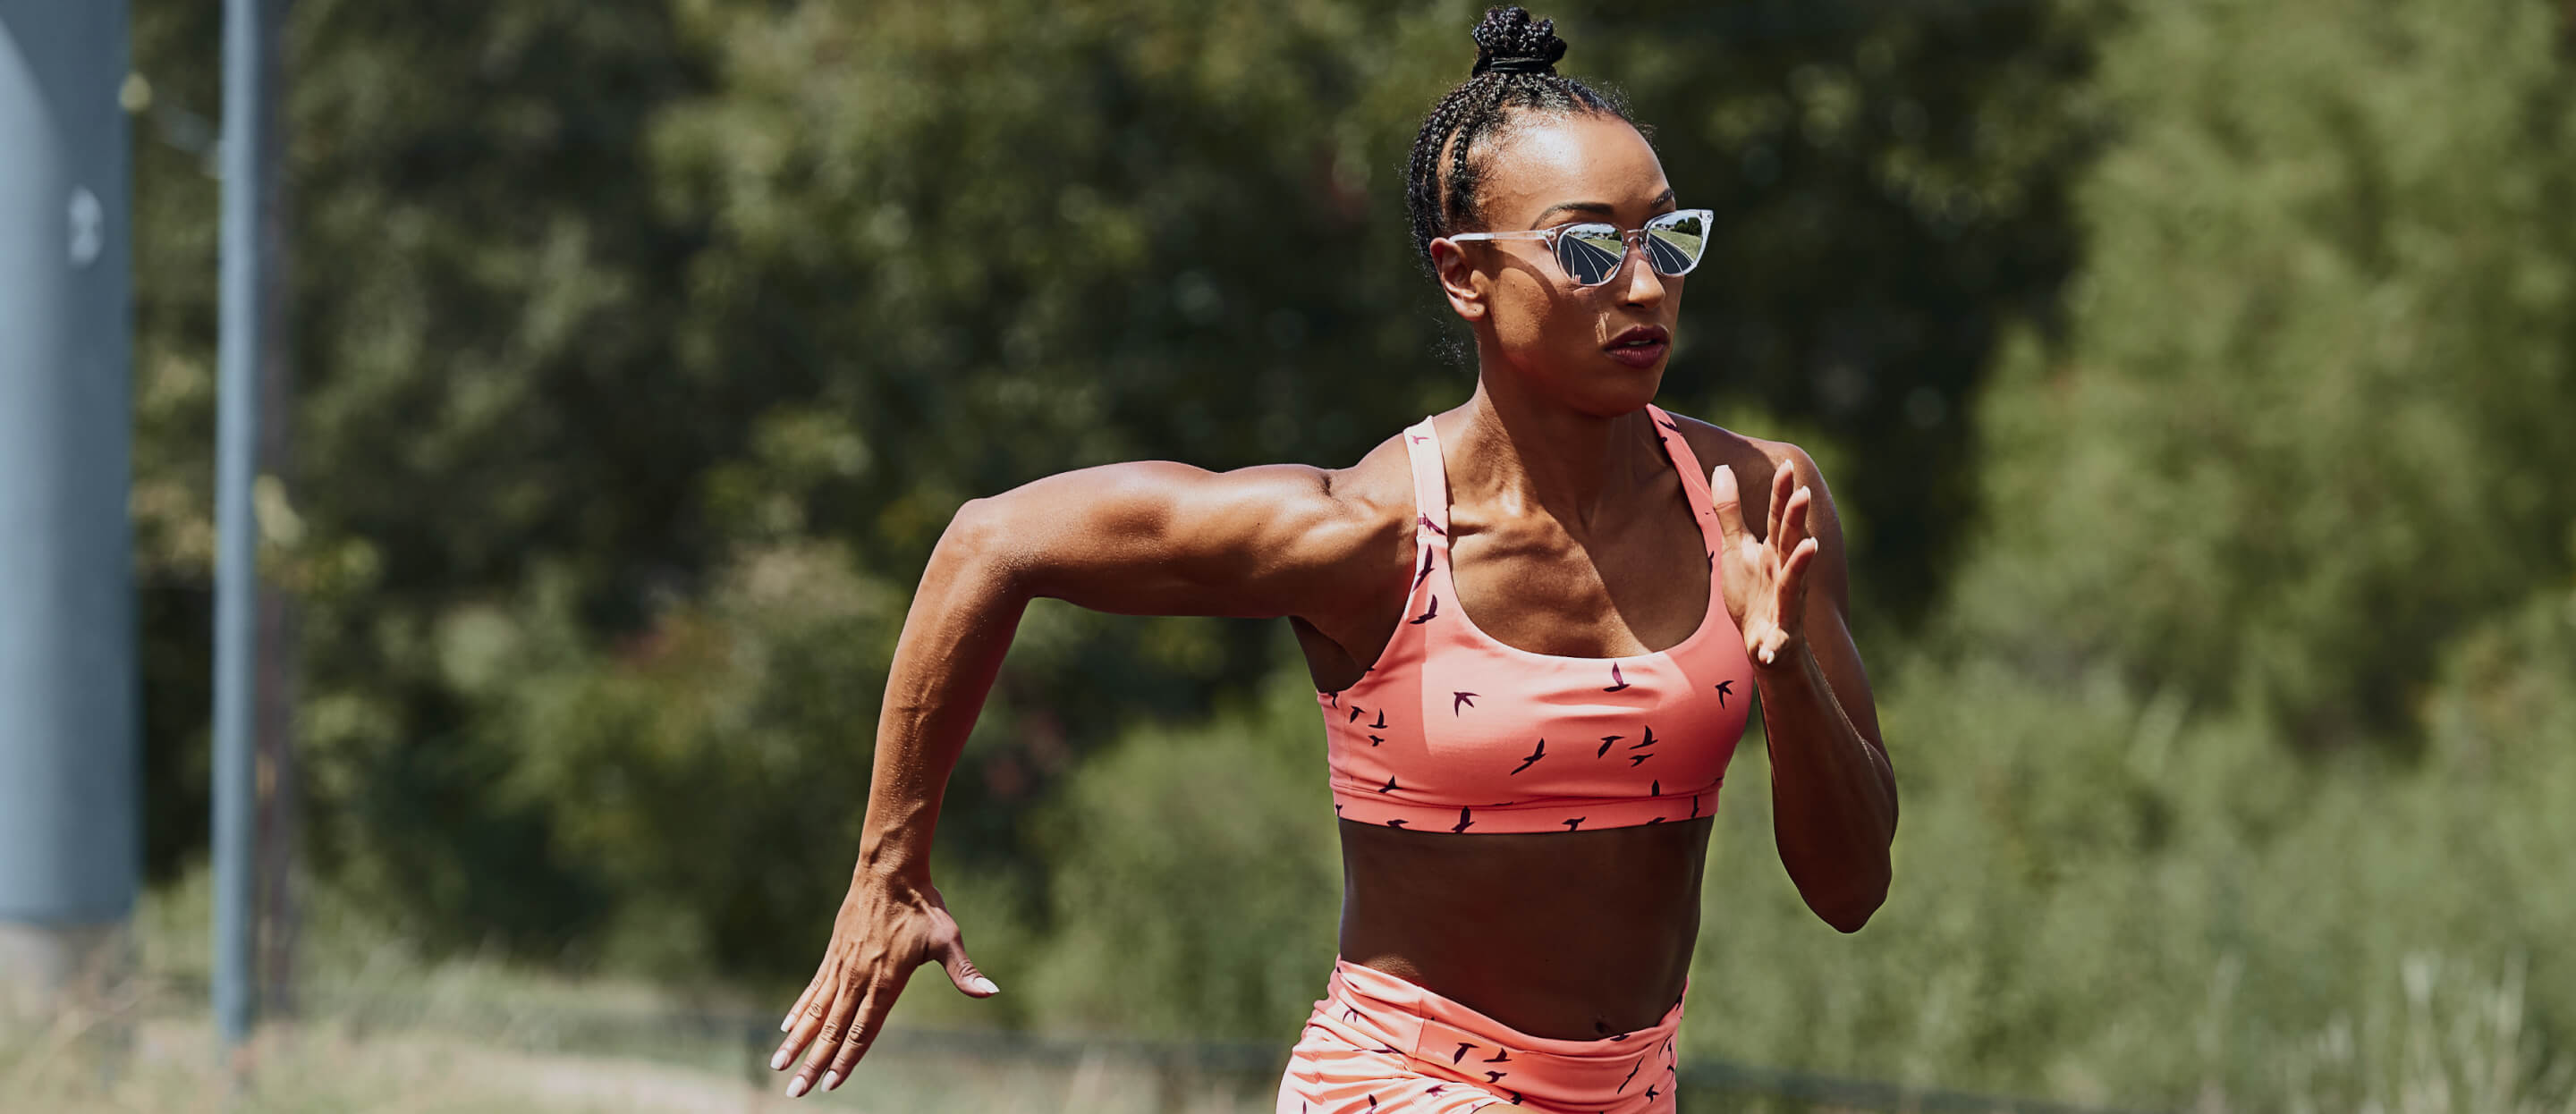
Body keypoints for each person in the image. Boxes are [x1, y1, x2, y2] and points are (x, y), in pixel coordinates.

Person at [764, 6, 1896, 1109]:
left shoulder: (1755, 508)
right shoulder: (1367, 536)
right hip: (1400, 1085)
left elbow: (1851, 890)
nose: (1646, 286)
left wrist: (1783, 668)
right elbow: (990, 541)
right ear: (1466, 275)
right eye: (1589, 249)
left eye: (1669, 236)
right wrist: (887, 869)